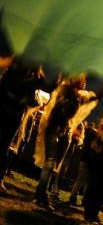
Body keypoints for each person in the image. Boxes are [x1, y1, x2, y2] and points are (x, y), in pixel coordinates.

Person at [34, 74, 98, 209]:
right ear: (76, 81)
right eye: (83, 80)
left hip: (64, 133)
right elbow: (58, 111)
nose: (85, 82)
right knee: (50, 163)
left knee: (54, 166)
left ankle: (42, 194)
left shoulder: (79, 96)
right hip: (53, 130)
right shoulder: (65, 93)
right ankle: (40, 195)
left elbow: (93, 98)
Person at [0, 58, 47, 191]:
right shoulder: (16, 69)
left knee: (5, 147)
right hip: (5, 109)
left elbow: (38, 97)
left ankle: (1, 177)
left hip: (16, 115)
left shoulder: (35, 76)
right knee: (5, 146)